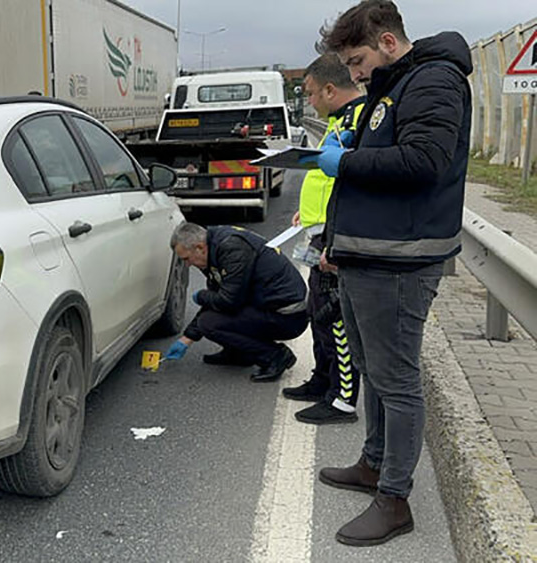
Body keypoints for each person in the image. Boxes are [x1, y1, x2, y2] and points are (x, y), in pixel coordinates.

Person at [302, 0, 472, 546]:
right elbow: (391, 152)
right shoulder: (394, 85)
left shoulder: (434, 81)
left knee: (397, 383)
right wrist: (358, 146)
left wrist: (346, 161)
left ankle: (394, 499)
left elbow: (423, 162)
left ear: (389, 43)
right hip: (368, 255)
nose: (352, 74)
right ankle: (374, 463)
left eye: (357, 60)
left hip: (400, 261)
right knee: (375, 373)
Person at [282, 54, 366, 425]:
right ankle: (322, 378)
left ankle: (343, 398)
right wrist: (310, 214)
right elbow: (326, 179)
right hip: (319, 231)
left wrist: (335, 239)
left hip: (335, 239)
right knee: (318, 312)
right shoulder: (338, 121)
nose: (310, 102)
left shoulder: (360, 120)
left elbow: (355, 185)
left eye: (313, 94)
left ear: (331, 89)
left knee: (335, 318)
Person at [163, 222, 309, 382]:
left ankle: (276, 355)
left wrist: (201, 296)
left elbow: (228, 302)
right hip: (268, 306)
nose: (187, 264)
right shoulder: (212, 248)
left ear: (199, 247)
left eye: (187, 259)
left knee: (209, 323)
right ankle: (238, 353)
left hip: (288, 317)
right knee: (213, 316)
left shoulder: (232, 249)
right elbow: (218, 298)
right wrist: (187, 338)